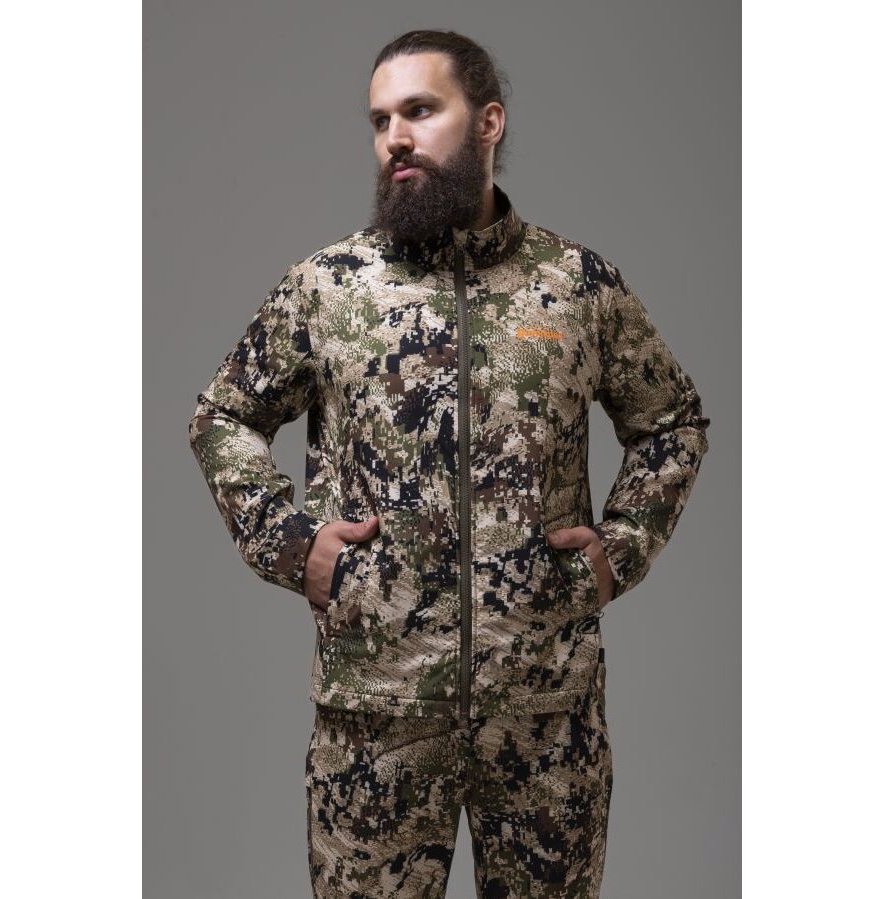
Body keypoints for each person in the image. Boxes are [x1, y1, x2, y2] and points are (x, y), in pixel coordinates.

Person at [189, 28, 711, 899]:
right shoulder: (328, 287)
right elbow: (223, 416)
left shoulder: (577, 287)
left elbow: (673, 423)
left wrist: (619, 551)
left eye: (420, 111)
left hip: (545, 719)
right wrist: (290, 543)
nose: (395, 137)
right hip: (375, 718)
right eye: (379, 120)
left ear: (488, 122)